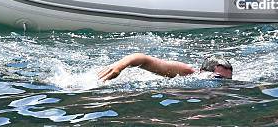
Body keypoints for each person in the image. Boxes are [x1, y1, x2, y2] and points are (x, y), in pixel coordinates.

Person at [98, 53, 233, 81]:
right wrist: (118, 67)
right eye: (218, 78)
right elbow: (142, 59)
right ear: (202, 72)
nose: (224, 85)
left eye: (228, 80)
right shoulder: (186, 72)